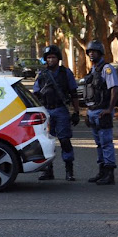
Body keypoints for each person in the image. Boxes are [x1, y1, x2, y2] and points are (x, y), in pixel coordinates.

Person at [33, 45, 81, 181]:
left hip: (60, 110)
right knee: (46, 142)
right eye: (48, 58)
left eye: (53, 57)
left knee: (65, 140)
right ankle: (48, 170)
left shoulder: (66, 73)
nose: (50, 60)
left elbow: (73, 93)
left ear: (58, 58)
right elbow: (35, 95)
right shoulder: (41, 75)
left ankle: (69, 170)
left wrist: (76, 112)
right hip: (46, 110)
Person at [83, 40, 118, 186]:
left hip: (103, 111)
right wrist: (86, 112)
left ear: (100, 53)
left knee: (106, 142)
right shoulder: (92, 70)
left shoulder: (107, 69)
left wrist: (109, 109)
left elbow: (114, 89)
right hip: (93, 111)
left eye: (94, 51)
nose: (91, 54)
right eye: (89, 52)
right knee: (99, 144)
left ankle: (110, 173)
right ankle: (102, 171)